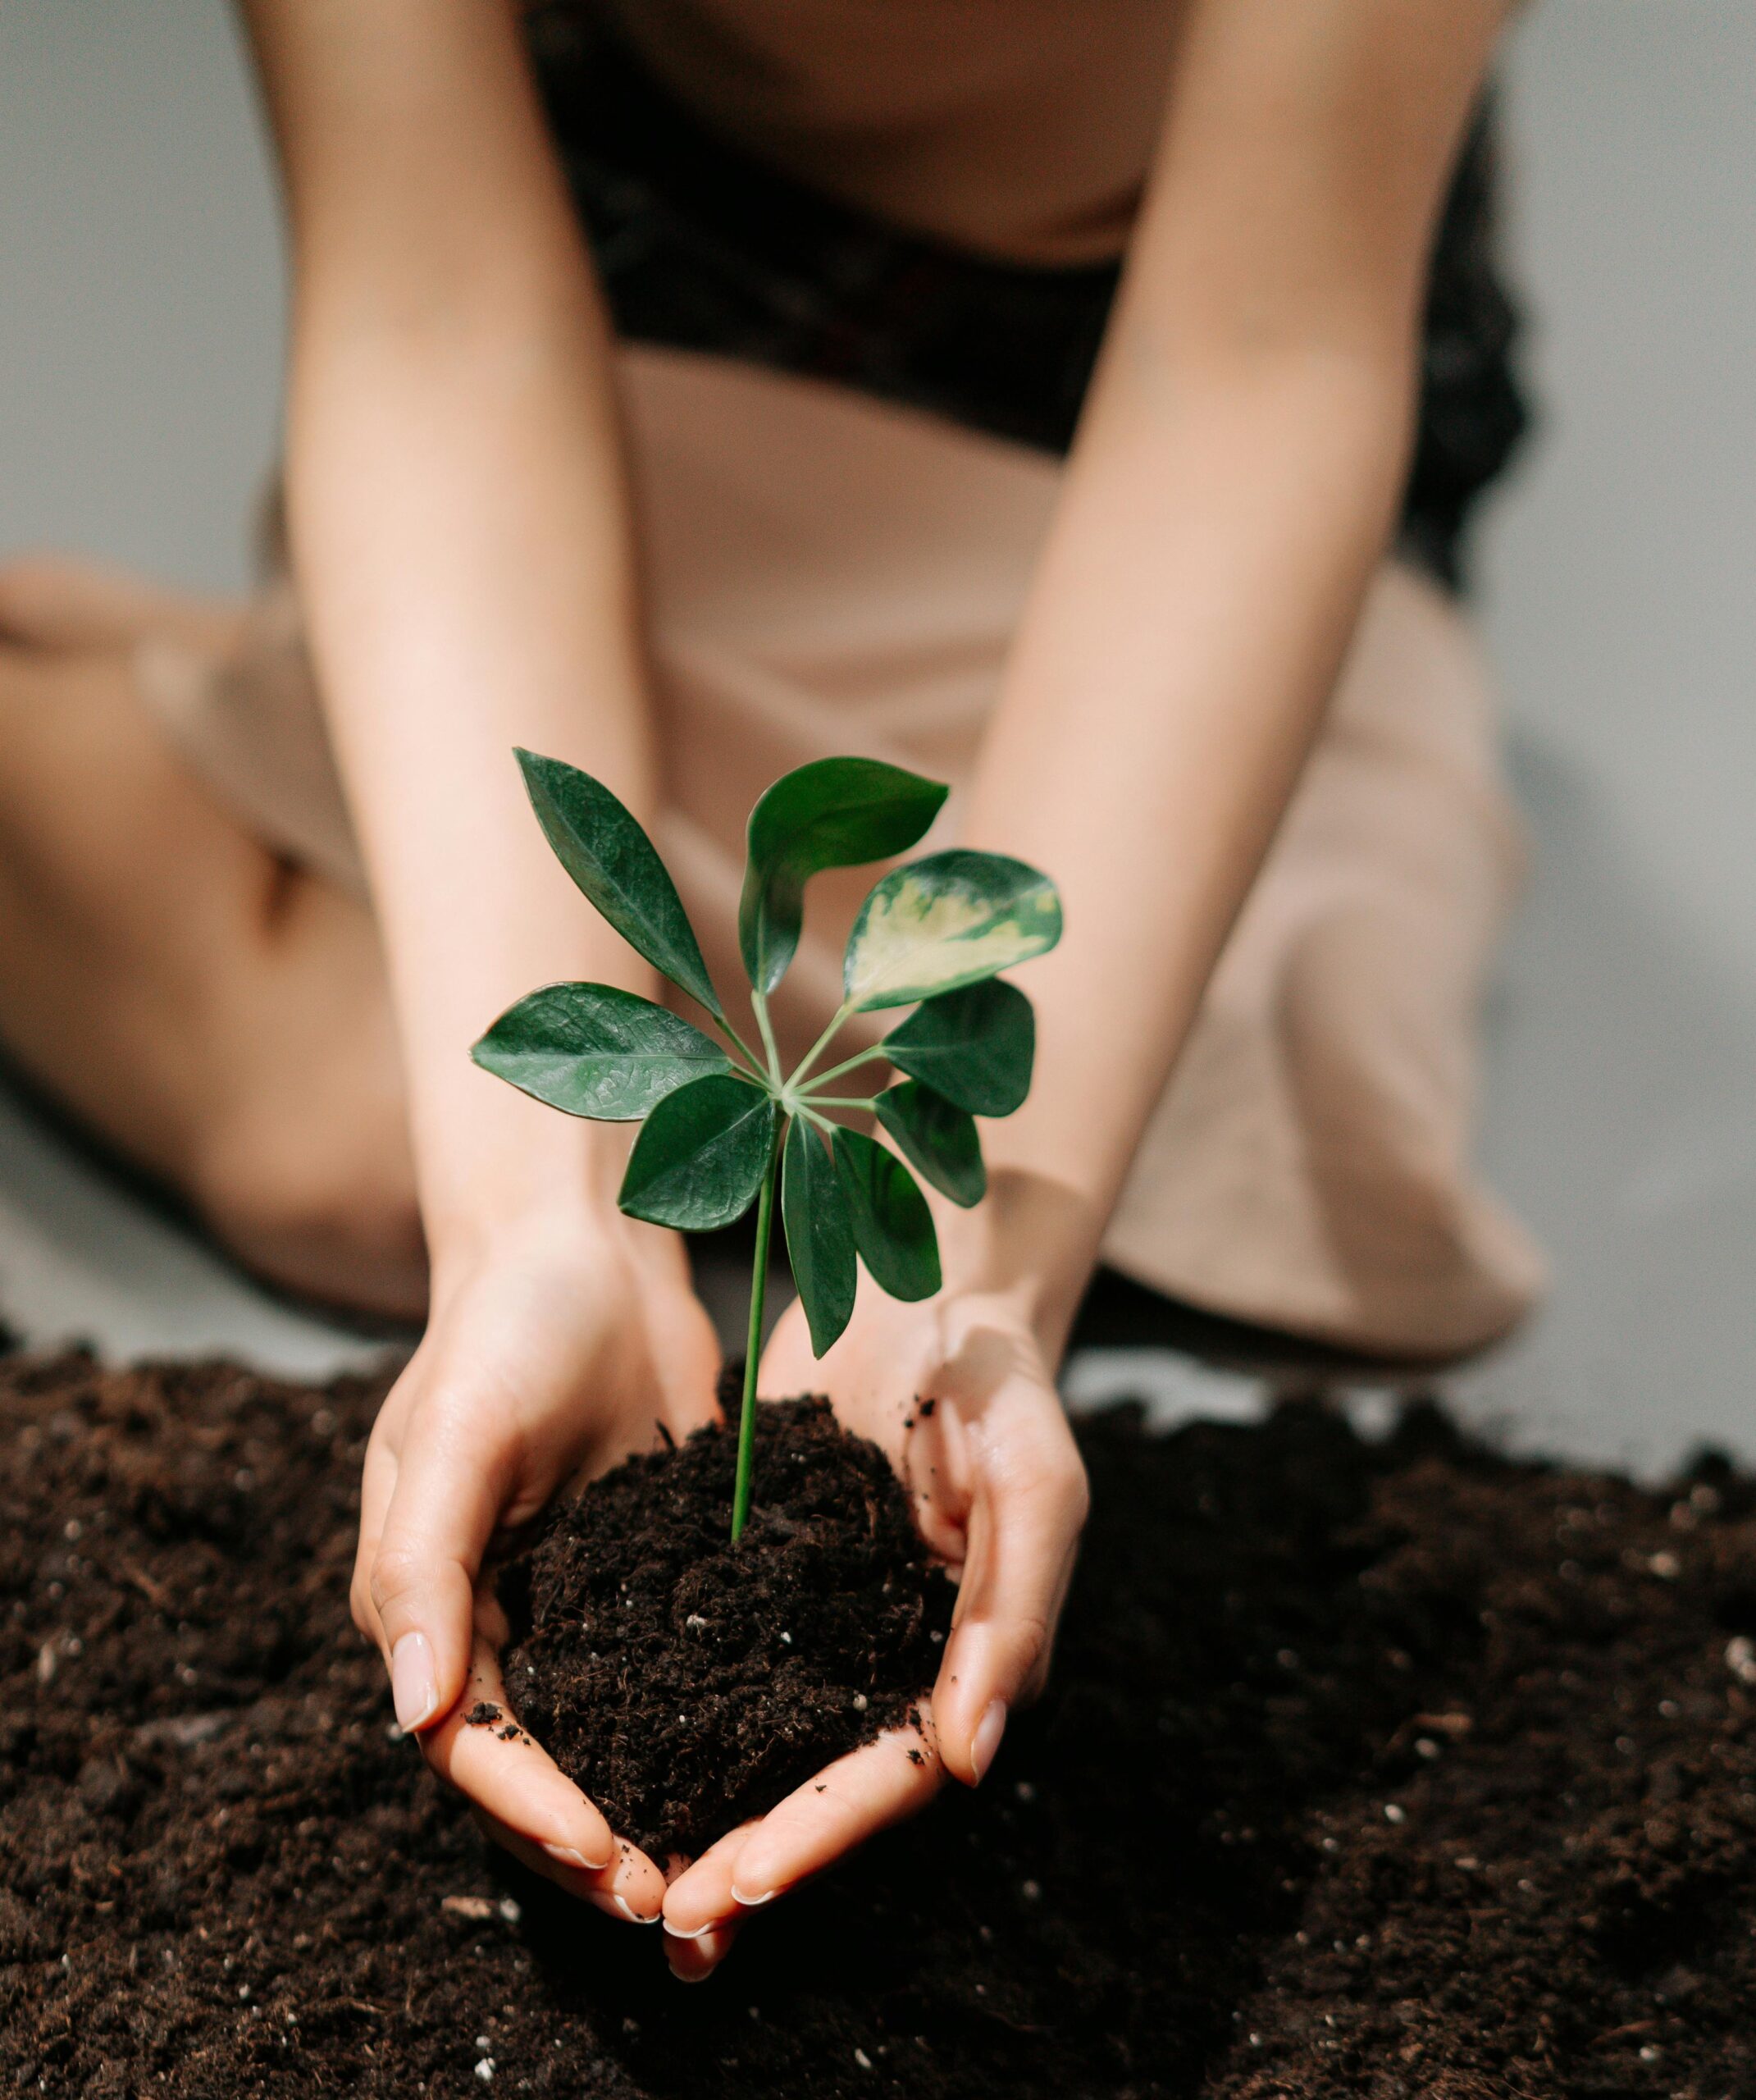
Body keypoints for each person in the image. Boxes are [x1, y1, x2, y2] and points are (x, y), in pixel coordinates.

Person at [0, 0, 1540, 1979]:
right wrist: (536, 1224)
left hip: (1181, 340)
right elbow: (434, 313)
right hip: (619, 296)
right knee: (355, 1148)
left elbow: (1259, 363)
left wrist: (953, 1282)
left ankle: (249, 727)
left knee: (1302, 1120)